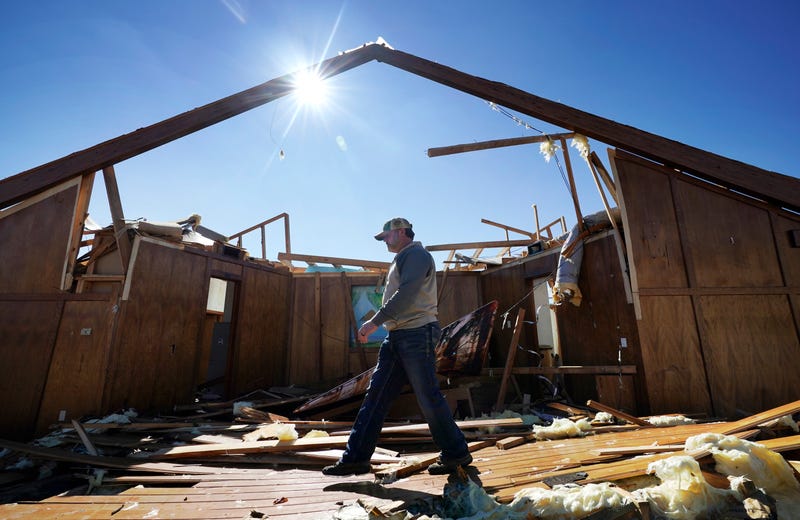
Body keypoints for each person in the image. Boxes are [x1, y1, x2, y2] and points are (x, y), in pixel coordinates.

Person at [322, 217, 473, 476]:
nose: (384, 242)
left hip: (416, 333)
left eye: (387, 237)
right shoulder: (402, 258)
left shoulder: (416, 255)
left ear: (402, 232)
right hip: (398, 336)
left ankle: (455, 452)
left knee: (428, 396)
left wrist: (374, 323)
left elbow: (407, 294)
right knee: (376, 396)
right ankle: (355, 458)